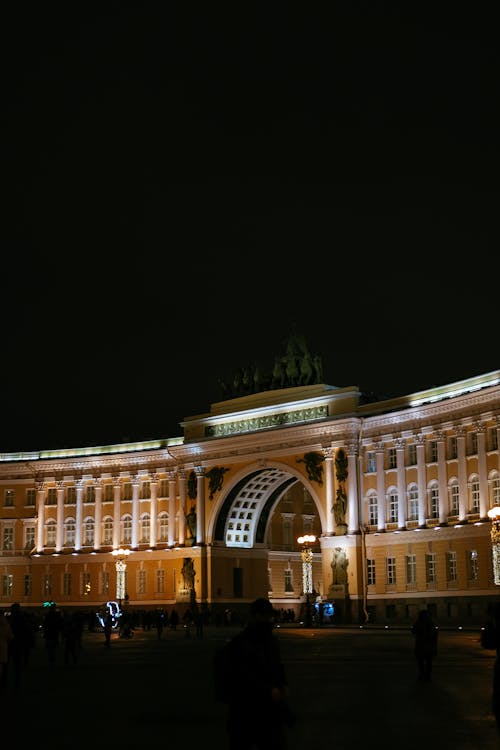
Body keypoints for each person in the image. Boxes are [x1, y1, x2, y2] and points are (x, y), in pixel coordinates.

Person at [214, 597, 295, 750]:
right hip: (246, 713)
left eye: (270, 616)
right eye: (265, 616)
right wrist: (270, 690)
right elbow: (244, 676)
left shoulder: (268, 641)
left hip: (264, 714)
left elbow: (277, 667)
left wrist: (282, 684)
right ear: (255, 617)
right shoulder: (244, 643)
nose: (269, 620)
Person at [411, 608, 438, 681]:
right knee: (428, 662)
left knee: (421, 662)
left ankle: (422, 675)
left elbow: (413, 631)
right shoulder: (431, 623)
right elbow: (435, 635)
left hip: (420, 645)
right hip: (429, 645)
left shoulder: (418, 622)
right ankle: (428, 676)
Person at [0, 611, 13, 691]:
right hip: (3, 647)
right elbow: (10, 637)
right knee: (4, 666)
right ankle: (4, 682)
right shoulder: (6, 625)